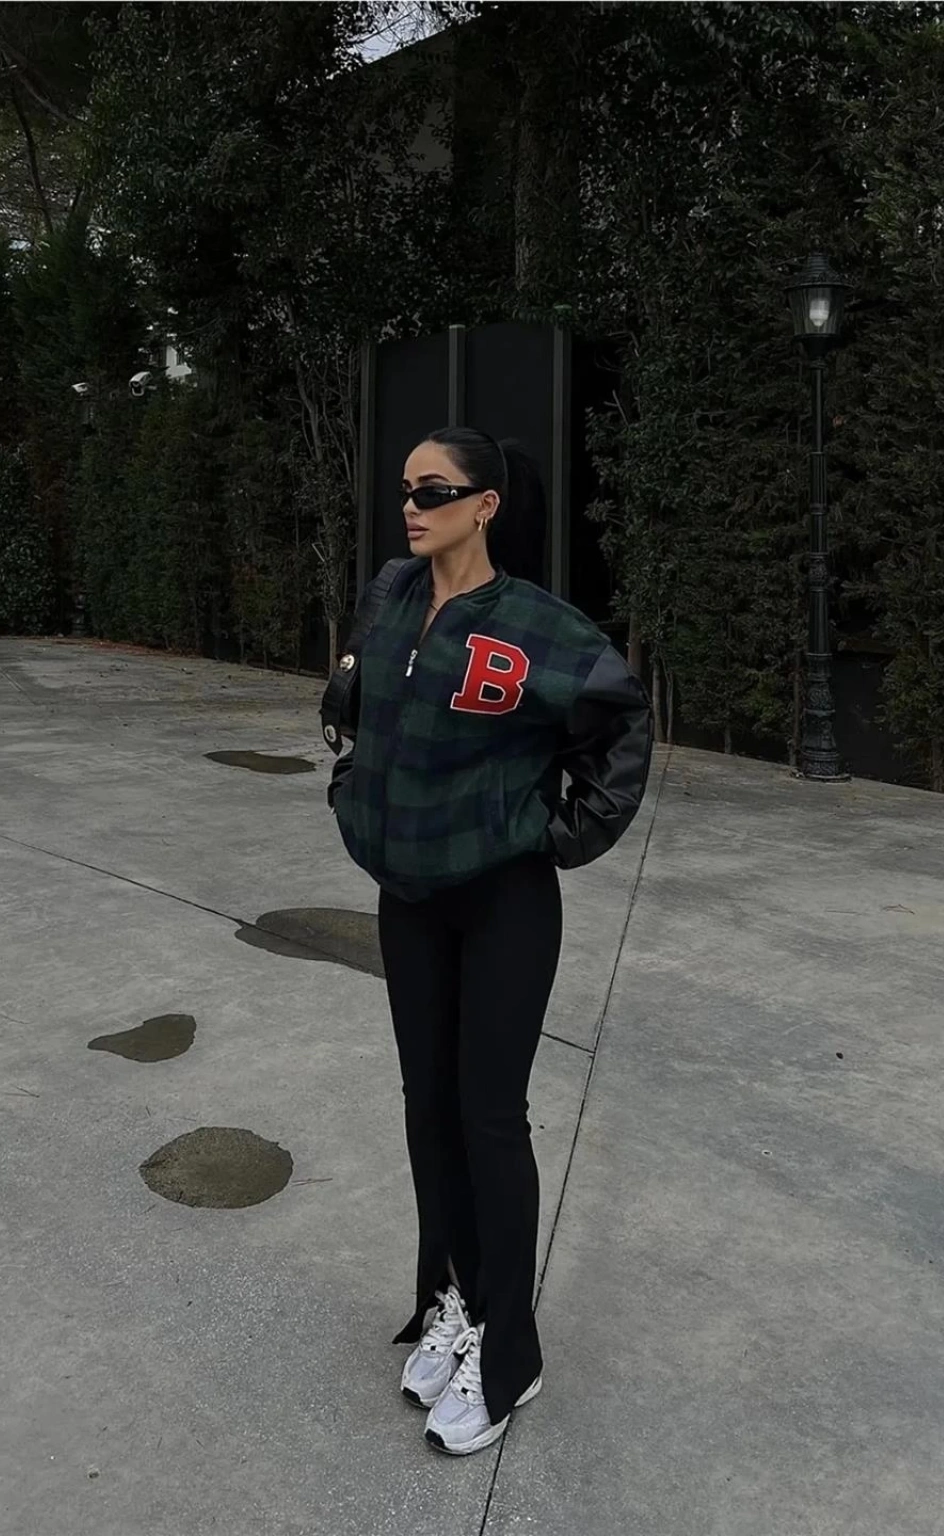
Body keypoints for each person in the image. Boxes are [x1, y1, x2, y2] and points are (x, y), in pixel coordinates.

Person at [324, 426, 652, 1456]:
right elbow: (361, 706)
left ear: (485, 505)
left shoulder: (540, 627)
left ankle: (510, 1356)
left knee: (488, 1120)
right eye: (405, 487)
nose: (410, 506)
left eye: (433, 489)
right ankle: (453, 1302)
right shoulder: (389, 594)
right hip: (408, 897)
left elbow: (621, 728)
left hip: (503, 904)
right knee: (428, 1110)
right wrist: (350, 786)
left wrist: (557, 836)